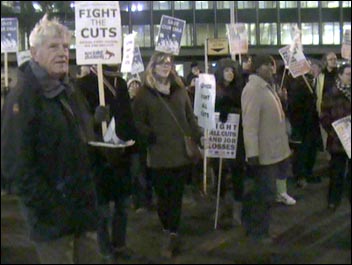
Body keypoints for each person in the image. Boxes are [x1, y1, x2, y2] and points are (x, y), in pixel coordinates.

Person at [1, 15, 98, 264]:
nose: (63, 53)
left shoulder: (69, 89)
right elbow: (16, 166)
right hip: (52, 222)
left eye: (66, 47)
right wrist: (51, 209)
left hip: (82, 213)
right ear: (34, 52)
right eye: (53, 46)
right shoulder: (23, 96)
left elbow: (78, 138)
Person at [132, 52, 202, 258]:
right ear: (152, 67)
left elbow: (190, 117)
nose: (165, 66)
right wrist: (148, 135)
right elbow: (137, 122)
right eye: (161, 63)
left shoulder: (180, 90)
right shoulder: (144, 94)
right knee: (163, 197)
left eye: (169, 63)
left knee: (176, 196)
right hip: (159, 155)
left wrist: (199, 136)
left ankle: (173, 231)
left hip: (180, 153)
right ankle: (167, 227)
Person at [76, 64, 137, 262]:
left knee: (122, 206)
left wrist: (133, 147)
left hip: (122, 155)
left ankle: (120, 244)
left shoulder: (120, 83)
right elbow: (76, 120)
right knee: (102, 210)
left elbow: (128, 118)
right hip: (97, 156)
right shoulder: (82, 85)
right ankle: (105, 248)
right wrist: (93, 120)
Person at [241, 55, 293, 243]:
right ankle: (257, 231)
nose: (272, 69)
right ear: (257, 68)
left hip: (273, 151)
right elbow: (250, 125)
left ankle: (256, 227)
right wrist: (252, 153)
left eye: (272, 66)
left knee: (266, 194)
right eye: (267, 66)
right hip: (263, 154)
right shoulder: (254, 90)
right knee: (264, 195)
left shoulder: (267, 88)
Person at [213, 58, 245, 226]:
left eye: (232, 71)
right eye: (226, 70)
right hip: (218, 137)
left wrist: (231, 110)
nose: (230, 73)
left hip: (237, 137)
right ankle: (221, 207)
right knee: (219, 173)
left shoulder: (240, 90)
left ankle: (237, 209)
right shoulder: (213, 90)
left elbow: (244, 109)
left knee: (237, 172)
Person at [320, 64, 351, 211]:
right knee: (336, 172)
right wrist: (335, 131)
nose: (350, 77)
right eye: (348, 74)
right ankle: (333, 200)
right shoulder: (331, 94)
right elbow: (324, 116)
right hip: (337, 140)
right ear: (340, 75)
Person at [286, 70, 323, 188]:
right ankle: (300, 176)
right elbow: (294, 107)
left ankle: (308, 173)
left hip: (311, 122)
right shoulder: (298, 87)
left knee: (311, 151)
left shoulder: (310, 85)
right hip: (302, 124)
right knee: (302, 152)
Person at [317, 52, 338, 150]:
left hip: (337, 108)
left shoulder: (339, 74)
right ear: (326, 61)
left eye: (335, 59)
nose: (334, 61)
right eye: (331, 59)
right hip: (325, 107)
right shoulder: (321, 76)